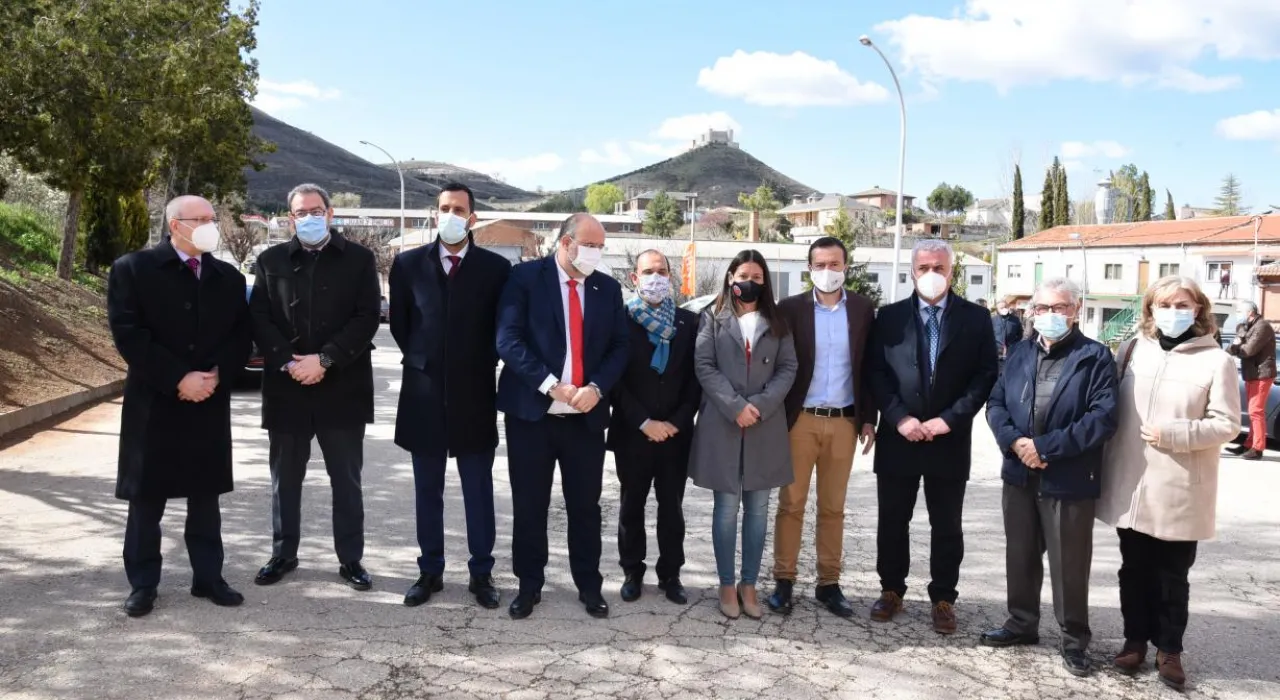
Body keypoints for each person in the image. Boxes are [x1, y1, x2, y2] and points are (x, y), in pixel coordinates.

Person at [106, 195, 253, 617]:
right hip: (154, 401)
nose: (210, 225)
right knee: (146, 498)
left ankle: (208, 577)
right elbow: (129, 334)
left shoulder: (227, 276)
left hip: (208, 400)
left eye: (212, 218)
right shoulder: (133, 269)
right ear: (176, 224)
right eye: (201, 219)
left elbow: (241, 334)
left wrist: (217, 374)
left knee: (205, 497)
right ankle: (143, 584)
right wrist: (178, 377)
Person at [1099, 276, 1241, 691]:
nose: (1173, 311)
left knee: (1172, 574)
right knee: (1133, 568)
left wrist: (1175, 433)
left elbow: (1227, 424)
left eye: (1182, 304)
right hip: (1132, 481)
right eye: (1164, 304)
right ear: (1150, 309)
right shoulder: (1133, 350)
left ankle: (1169, 649)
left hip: (1180, 486)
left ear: (1198, 310)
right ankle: (1134, 641)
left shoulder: (1216, 360)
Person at [495, 213, 630, 620]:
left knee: (585, 506)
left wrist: (596, 388)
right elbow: (508, 339)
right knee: (529, 505)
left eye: (601, 246)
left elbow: (620, 346)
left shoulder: (607, 288)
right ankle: (529, 585)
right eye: (590, 245)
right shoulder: (525, 278)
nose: (596, 253)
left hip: (584, 419)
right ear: (566, 243)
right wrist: (550, 385)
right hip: (532, 415)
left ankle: (589, 584)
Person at [982, 277, 1119, 677]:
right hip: (1019, 473)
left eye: (1059, 307)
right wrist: (1016, 443)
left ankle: (1074, 640)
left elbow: (1102, 418)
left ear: (1076, 311)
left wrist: (1045, 448)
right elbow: (996, 404)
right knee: (1020, 555)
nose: (1050, 315)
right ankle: (1021, 623)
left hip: (1068, 477)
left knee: (1068, 563)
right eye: (1042, 308)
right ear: (1032, 312)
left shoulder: (1094, 356)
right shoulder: (1020, 352)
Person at [250, 184, 382, 591]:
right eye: (300, 212)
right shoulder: (270, 260)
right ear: (290, 218)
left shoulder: (360, 259)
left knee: (346, 481)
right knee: (285, 480)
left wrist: (324, 360)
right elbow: (259, 318)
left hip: (342, 386)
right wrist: (290, 362)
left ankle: (351, 559)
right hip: (287, 388)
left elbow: (367, 317)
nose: (308, 217)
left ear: (330, 213)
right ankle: (283, 553)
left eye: (315, 210)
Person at [866, 239, 998, 634]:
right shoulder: (888, 317)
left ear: (951, 271)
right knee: (893, 521)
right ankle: (891, 590)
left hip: (948, 440)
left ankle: (943, 598)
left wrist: (950, 419)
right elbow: (875, 372)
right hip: (899, 437)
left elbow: (985, 375)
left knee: (947, 525)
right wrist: (898, 417)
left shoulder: (976, 318)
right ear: (912, 271)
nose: (931, 274)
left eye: (938, 267)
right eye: (923, 267)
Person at [389, 183, 512, 609]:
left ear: (472, 218)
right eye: (444, 208)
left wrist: (474, 362)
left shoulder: (496, 269)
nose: (450, 215)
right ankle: (430, 570)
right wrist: (426, 360)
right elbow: (402, 326)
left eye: (459, 209)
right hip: (422, 394)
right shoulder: (407, 264)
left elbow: (502, 329)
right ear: (434, 213)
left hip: (474, 394)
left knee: (478, 489)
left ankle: (482, 573)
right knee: (428, 489)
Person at [767, 237, 876, 618]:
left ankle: (829, 583)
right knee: (791, 504)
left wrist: (868, 418)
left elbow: (868, 366)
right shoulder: (790, 309)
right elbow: (777, 364)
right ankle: (784, 580)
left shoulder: (862, 309)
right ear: (809, 268)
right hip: (800, 421)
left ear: (846, 266)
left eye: (835, 264)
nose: (828, 271)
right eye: (820, 264)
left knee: (833, 508)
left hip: (844, 422)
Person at [689, 250, 798, 620]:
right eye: (743, 275)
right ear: (731, 277)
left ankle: (748, 584)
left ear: (765, 282)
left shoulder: (778, 320)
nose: (750, 282)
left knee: (758, 509)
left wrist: (760, 405)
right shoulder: (712, 316)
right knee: (726, 509)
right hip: (724, 421)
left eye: (757, 276)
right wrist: (735, 405)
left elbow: (788, 368)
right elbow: (704, 365)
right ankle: (726, 584)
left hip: (764, 424)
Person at [608, 250, 701, 605]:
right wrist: (644, 422)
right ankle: (632, 571)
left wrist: (676, 422)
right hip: (633, 432)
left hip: (675, 435)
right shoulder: (619, 320)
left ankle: (670, 574)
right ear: (634, 278)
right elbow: (614, 378)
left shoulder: (689, 322)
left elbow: (696, 379)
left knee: (671, 508)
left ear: (671, 276)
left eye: (662, 271)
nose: (656, 278)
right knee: (631, 505)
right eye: (648, 271)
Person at [1226, 300, 1275, 460]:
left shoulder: (1262, 327)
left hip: (1262, 374)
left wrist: (1238, 345)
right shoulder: (1246, 327)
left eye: (1239, 311)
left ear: (1250, 312)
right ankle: (1249, 444)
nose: (1237, 314)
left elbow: (1248, 350)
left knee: (1256, 411)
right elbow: (1231, 348)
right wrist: (1237, 343)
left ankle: (1258, 448)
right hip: (1251, 374)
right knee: (1253, 411)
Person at [993, 298, 1024, 367]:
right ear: (997, 309)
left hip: (1011, 350)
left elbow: (1020, 334)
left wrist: (1014, 343)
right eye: (1001, 308)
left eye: (1005, 307)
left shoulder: (1015, 319)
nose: (1004, 309)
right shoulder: (993, 320)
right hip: (997, 351)